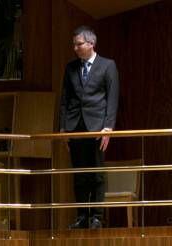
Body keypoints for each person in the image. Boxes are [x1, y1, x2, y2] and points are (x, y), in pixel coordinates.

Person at [60, 25, 119, 229]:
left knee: (97, 173)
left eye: (79, 44)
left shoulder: (107, 65)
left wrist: (108, 127)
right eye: (74, 44)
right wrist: (62, 129)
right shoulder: (70, 68)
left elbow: (112, 98)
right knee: (79, 174)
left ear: (91, 43)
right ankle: (82, 216)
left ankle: (97, 216)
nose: (75, 48)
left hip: (97, 126)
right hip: (74, 125)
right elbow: (65, 100)